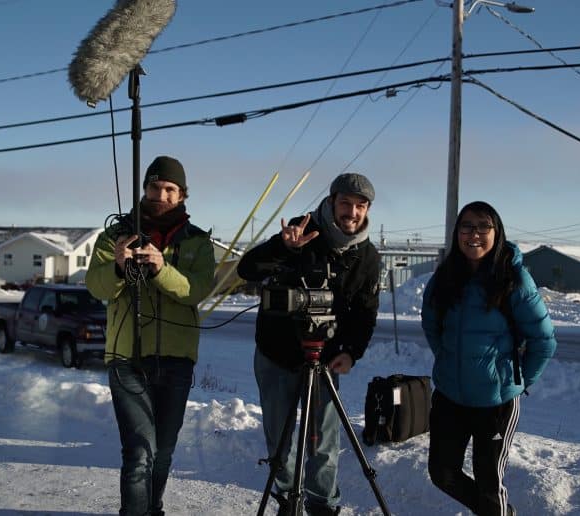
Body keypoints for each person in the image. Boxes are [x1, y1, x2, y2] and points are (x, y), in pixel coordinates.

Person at [237, 173, 381, 516]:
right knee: (281, 440)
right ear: (331, 201)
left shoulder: (367, 256)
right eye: (345, 203)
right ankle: (288, 500)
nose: (352, 212)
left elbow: (365, 313)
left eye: (360, 206)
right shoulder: (301, 231)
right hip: (277, 354)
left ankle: (322, 505)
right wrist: (282, 247)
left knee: (324, 443)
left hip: (326, 359)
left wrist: (352, 352)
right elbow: (248, 269)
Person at [86, 155, 215, 516]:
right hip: (126, 358)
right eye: (155, 187)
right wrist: (117, 265)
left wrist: (161, 267)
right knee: (140, 451)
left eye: (170, 189)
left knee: (163, 452)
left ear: (182, 195)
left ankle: (151, 508)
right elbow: (96, 288)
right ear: (144, 188)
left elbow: (197, 290)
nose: (161, 194)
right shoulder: (114, 236)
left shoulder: (197, 241)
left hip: (176, 359)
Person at [421, 201, 557, 516]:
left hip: (495, 402)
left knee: (488, 484)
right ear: (457, 233)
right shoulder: (444, 277)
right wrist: (447, 360)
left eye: (484, 226)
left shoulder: (514, 280)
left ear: (497, 232)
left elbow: (544, 341)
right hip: (450, 397)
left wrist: (519, 381)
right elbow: (431, 324)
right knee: (443, 474)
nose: (475, 234)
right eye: (467, 226)